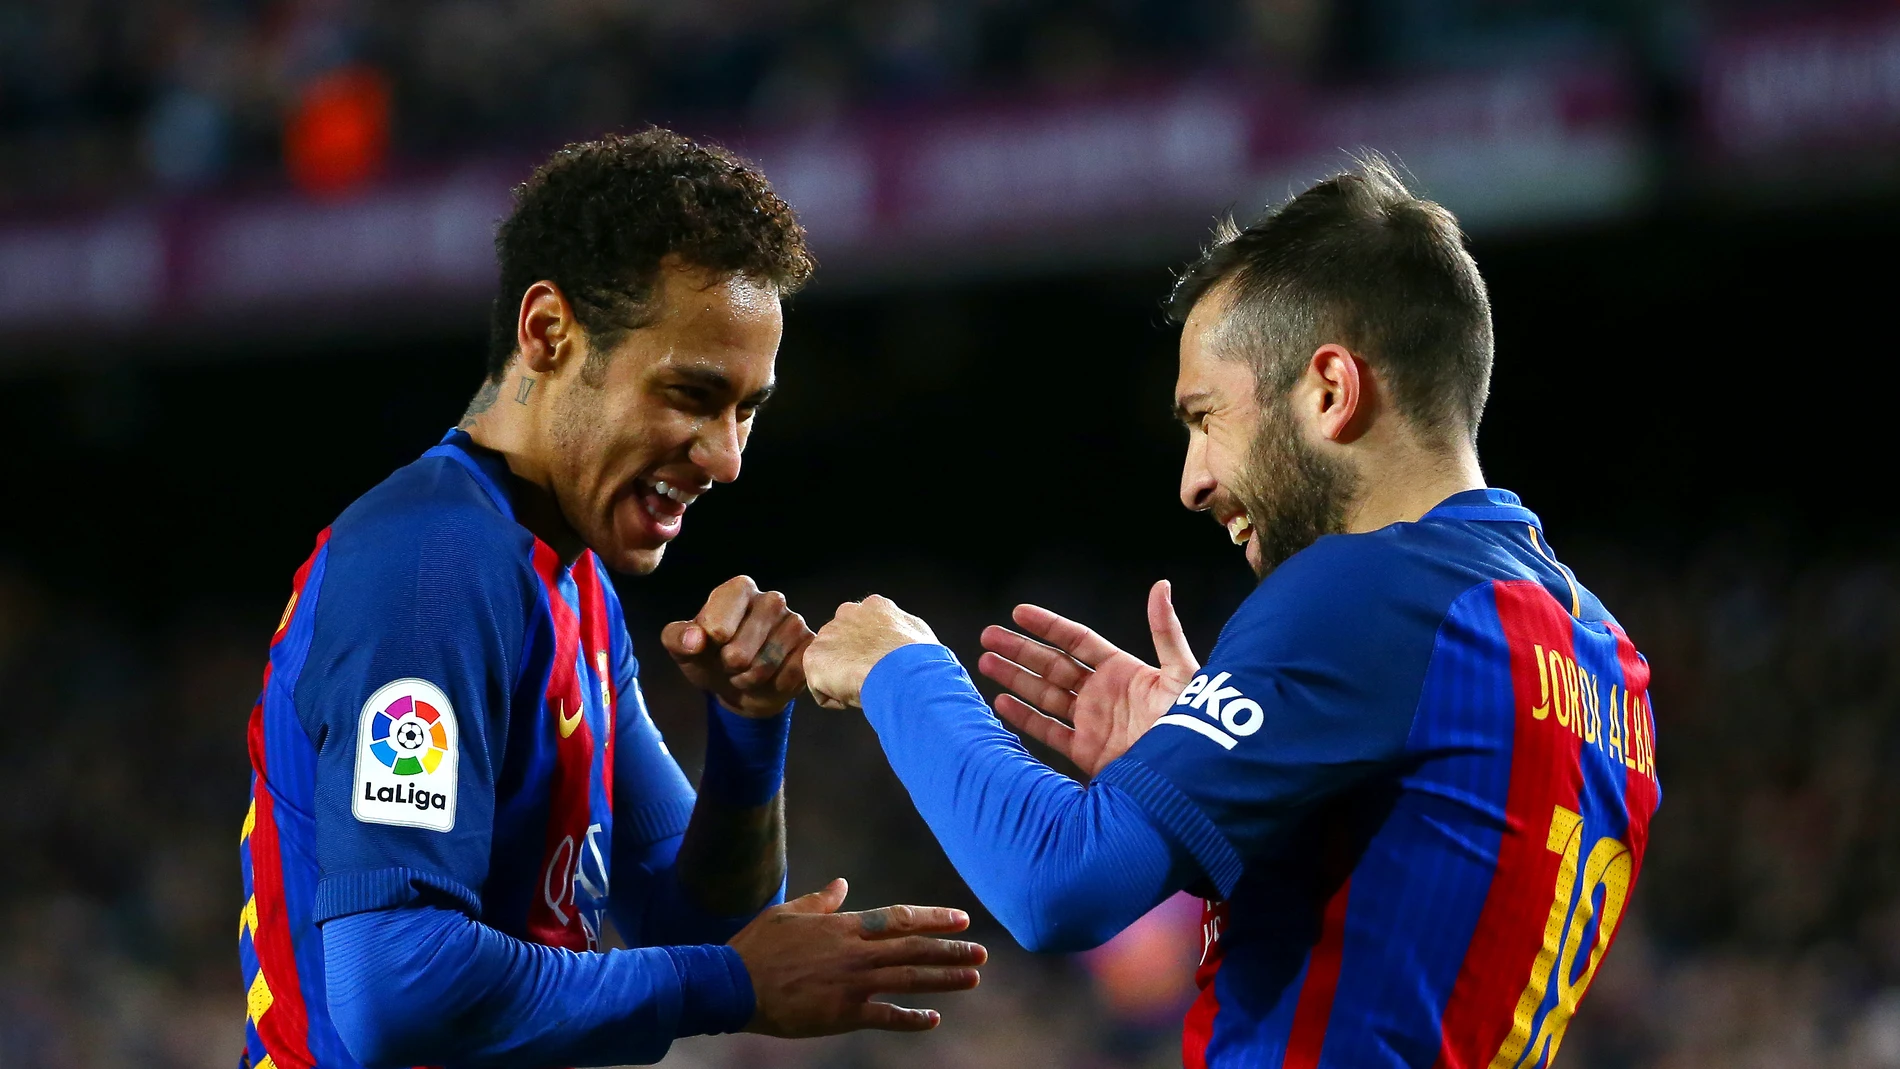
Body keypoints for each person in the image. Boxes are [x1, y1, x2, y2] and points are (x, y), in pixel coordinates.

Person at [803, 158, 1658, 1068]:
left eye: (1206, 416)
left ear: (1329, 390)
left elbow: (1057, 883)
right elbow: (1408, 930)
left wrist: (903, 669)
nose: (1193, 479)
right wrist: (1202, 772)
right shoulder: (1608, 660)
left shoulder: (1370, 590)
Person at [237, 129, 985, 1069]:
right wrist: (730, 986)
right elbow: (397, 982)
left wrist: (749, 734)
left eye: (747, 407)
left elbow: (702, 919)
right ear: (549, 333)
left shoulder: (563, 572)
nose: (727, 457)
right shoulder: (430, 569)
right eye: (692, 393)